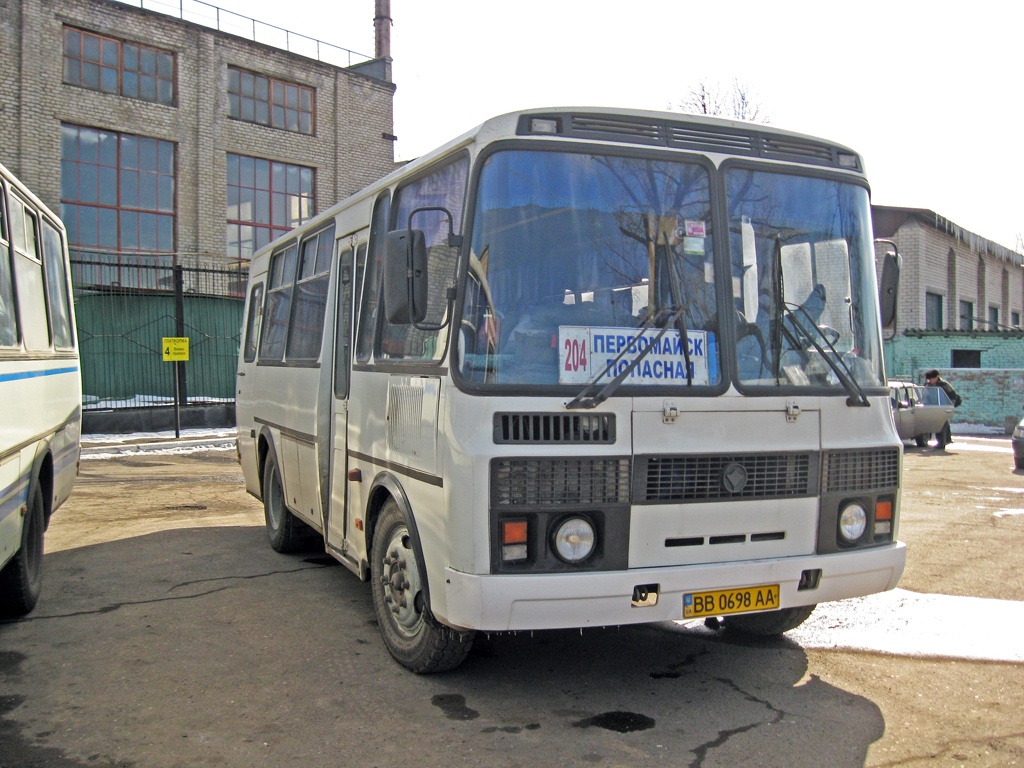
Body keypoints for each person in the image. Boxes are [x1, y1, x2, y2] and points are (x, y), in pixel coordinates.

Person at [924, 369, 962, 450]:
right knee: (941, 424)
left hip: (944, 407)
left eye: (931, 379)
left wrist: (949, 406)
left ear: (936, 377)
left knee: (942, 424)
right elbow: (925, 397)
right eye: (929, 379)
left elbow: (953, 396)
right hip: (933, 408)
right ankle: (946, 440)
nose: (930, 381)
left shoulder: (944, 385)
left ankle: (942, 443)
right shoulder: (928, 386)